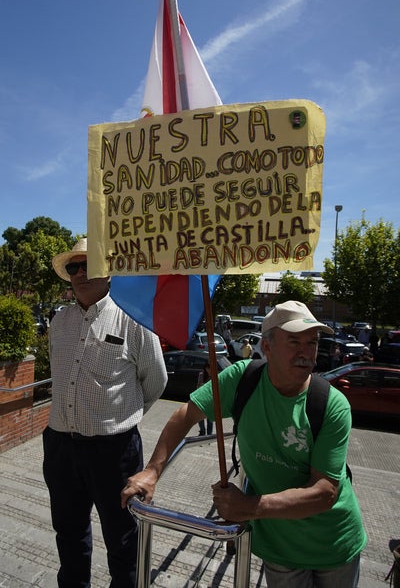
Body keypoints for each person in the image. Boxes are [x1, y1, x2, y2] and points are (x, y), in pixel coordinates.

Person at [121, 300, 367, 588]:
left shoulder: (331, 405)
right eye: (294, 341)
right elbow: (185, 414)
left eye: (312, 342)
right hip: (280, 547)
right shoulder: (242, 379)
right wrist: (152, 471)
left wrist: (248, 507)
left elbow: (325, 492)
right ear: (268, 346)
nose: (306, 352)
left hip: (334, 545)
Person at [43, 237, 168, 588]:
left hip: (113, 452)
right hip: (60, 447)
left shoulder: (134, 321)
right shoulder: (59, 322)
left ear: (109, 272)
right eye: (73, 267)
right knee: (68, 533)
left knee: (123, 540)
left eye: (90, 265)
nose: (81, 273)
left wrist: (120, 418)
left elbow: (156, 382)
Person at [197, 363, 213, 435]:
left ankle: (209, 434)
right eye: (207, 368)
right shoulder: (201, 375)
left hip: (210, 401)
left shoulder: (214, 376)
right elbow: (198, 386)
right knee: (200, 418)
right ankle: (202, 431)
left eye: (209, 369)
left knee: (210, 419)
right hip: (202, 400)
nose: (208, 370)